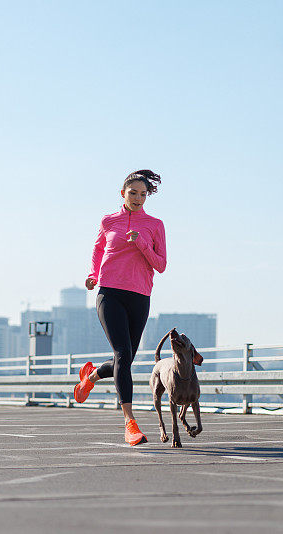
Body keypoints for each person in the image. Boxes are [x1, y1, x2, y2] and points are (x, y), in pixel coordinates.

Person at [74, 169, 167, 445]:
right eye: (133, 193)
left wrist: (141, 244)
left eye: (143, 194)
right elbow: (98, 250)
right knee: (123, 354)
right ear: (122, 194)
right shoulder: (108, 221)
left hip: (139, 295)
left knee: (124, 360)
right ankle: (130, 422)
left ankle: (89, 377)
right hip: (110, 293)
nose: (138, 198)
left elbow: (160, 265)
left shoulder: (155, 224)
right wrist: (93, 275)